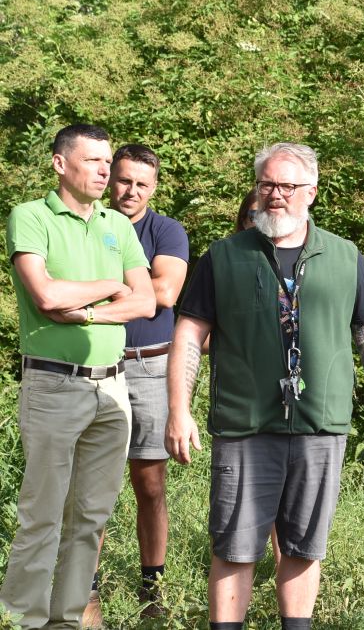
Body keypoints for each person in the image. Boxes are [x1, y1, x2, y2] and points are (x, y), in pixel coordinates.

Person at [164, 142, 364, 630]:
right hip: (245, 424)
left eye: (288, 186)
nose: (276, 195)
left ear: (311, 191)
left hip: (320, 423)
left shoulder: (344, 255)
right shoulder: (224, 257)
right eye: (267, 184)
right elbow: (190, 333)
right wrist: (178, 410)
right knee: (235, 545)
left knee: (304, 545)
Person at [0, 124, 155, 629]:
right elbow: (45, 295)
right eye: (93, 161)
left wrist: (87, 311)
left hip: (112, 385)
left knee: (90, 518)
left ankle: (65, 621)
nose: (105, 171)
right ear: (60, 164)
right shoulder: (32, 216)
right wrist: (111, 286)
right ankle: (24, 619)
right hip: (52, 384)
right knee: (43, 513)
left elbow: (147, 300)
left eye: (107, 161)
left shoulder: (118, 224)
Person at [91, 144, 188, 620]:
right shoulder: (92, 224)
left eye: (141, 184)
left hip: (150, 366)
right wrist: (138, 282)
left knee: (149, 484)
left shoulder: (166, 230)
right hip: (98, 364)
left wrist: (102, 283)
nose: (131, 191)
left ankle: (154, 589)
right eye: (124, 180)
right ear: (111, 180)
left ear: (153, 187)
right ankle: (86, 589)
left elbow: (165, 293)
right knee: (95, 483)